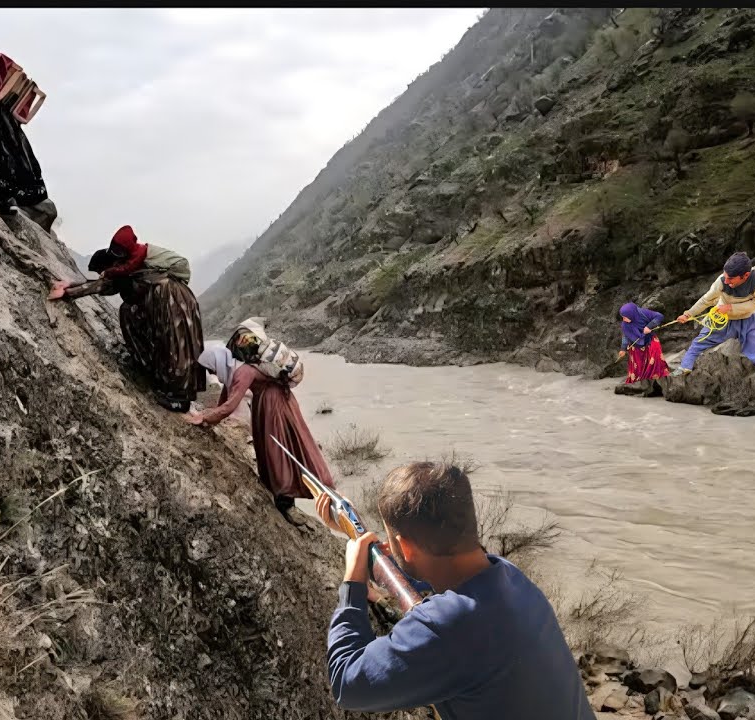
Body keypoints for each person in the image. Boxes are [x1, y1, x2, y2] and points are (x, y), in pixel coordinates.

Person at [319, 461, 595, 719]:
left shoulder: (447, 626)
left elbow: (347, 684)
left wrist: (353, 583)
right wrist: (361, 543)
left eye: (392, 542)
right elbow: (436, 572)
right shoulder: (509, 575)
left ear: (406, 548)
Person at [47, 227, 205, 412]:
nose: (101, 275)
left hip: (172, 301)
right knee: (171, 340)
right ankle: (167, 384)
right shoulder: (129, 268)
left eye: (101, 271)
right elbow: (97, 284)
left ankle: (179, 397)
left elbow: (99, 286)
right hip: (173, 301)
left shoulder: (124, 271)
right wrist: (70, 286)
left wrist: (67, 293)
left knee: (176, 344)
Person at [184, 330, 335, 522]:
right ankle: (302, 495)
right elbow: (226, 397)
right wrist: (209, 415)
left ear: (217, 362)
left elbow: (230, 405)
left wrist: (204, 418)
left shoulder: (243, 372)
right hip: (280, 401)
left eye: (211, 368)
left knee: (278, 452)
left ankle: (286, 504)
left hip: (272, 406)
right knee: (290, 446)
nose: (212, 373)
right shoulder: (241, 367)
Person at [671, 251, 755, 382]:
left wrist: (731, 308)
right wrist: (688, 314)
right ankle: (684, 368)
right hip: (723, 320)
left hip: (750, 319)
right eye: (725, 276)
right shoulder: (721, 282)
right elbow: (706, 300)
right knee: (699, 342)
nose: (726, 281)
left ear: (746, 275)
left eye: (730, 279)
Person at [617, 302, 671, 383]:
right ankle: (642, 382)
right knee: (638, 366)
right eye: (623, 317)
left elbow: (659, 316)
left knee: (655, 355)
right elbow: (625, 336)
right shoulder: (625, 324)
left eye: (625, 317)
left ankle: (657, 378)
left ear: (632, 314)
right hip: (636, 345)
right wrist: (623, 349)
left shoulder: (643, 313)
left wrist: (649, 326)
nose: (623, 320)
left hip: (649, 338)